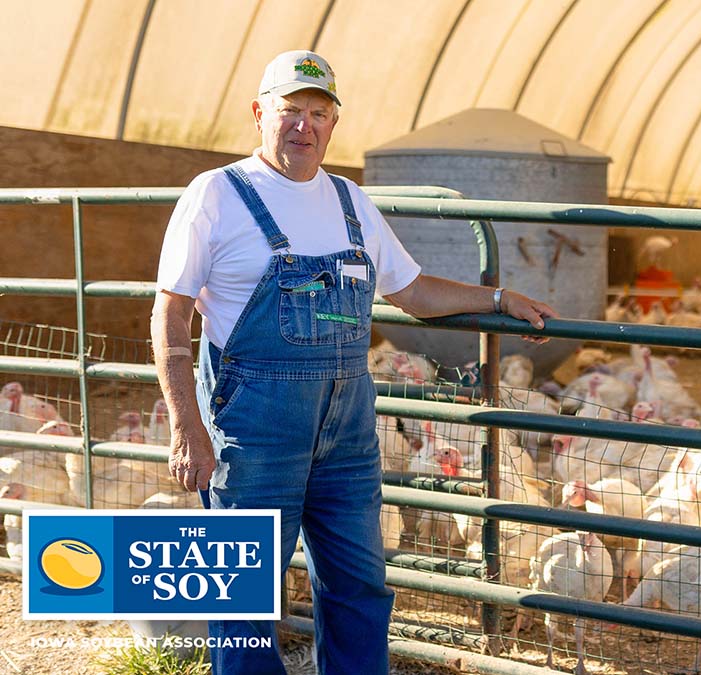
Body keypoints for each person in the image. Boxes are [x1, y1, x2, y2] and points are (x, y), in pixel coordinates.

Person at [150, 50, 556, 674]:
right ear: (260, 113)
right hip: (255, 431)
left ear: (334, 123)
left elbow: (413, 292)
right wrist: (185, 425)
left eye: (318, 112)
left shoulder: (349, 200)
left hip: (347, 434)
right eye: (290, 111)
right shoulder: (217, 195)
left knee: (360, 585)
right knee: (247, 597)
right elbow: (171, 313)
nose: (303, 126)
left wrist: (497, 299)